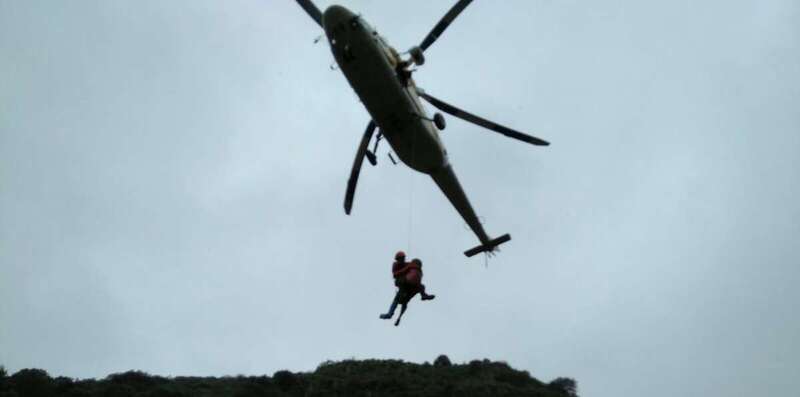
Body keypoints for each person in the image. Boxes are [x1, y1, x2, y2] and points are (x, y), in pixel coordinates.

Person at [380, 251, 435, 324]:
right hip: (401, 282)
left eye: (403, 258)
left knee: (421, 286)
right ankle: (389, 314)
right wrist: (408, 267)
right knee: (397, 299)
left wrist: (415, 265)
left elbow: (413, 265)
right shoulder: (395, 264)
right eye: (400, 259)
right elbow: (395, 274)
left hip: (409, 284)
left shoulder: (407, 264)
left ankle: (423, 295)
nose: (402, 260)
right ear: (397, 259)